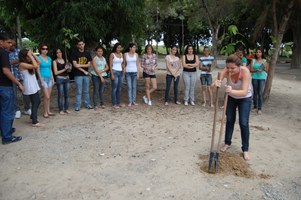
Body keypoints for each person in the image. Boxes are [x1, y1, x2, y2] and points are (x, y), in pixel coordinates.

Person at [213, 54, 253, 161]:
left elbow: (244, 92)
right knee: (230, 120)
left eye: (233, 68)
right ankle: (227, 143)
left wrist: (231, 91)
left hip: (245, 98)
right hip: (230, 97)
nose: (230, 70)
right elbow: (220, 76)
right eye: (228, 68)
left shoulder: (245, 72)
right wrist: (218, 81)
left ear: (239, 66)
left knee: (243, 122)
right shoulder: (227, 70)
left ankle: (245, 149)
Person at [0, 32, 23, 144]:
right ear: (1, 42)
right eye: (8, 42)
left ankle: (5, 130)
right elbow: (6, 71)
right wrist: (18, 82)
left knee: (2, 110)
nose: (10, 44)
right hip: (4, 86)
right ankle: (7, 137)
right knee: (7, 111)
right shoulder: (3, 53)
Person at [19, 48, 42, 127]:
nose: (29, 57)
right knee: (36, 101)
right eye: (27, 56)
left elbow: (39, 62)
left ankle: (33, 116)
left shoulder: (28, 62)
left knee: (37, 101)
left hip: (33, 84)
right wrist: (30, 55)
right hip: (29, 85)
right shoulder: (22, 64)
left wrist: (32, 55)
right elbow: (35, 66)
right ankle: (34, 121)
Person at [9, 39, 31, 118]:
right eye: (12, 45)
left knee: (25, 92)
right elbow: (7, 64)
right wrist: (14, 62)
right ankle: (17, 110)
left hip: (21, 75)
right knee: (14, 94)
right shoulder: (6, 52)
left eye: (15, 45)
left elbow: (24, 59)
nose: (13, 46)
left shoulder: (19, 51)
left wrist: (17, 61)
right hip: (12, 76)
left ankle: (27, 108)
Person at [71, 39, 93, 111]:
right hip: (78, 75)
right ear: (77, 46)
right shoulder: (74, 53)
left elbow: (89, 65)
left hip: (86, 75)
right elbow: (74, 65)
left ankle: (88, 104)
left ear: (84, 44)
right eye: (79, 44)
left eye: (82, 44)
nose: (81, 46)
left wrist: (79, 65)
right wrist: (84, 69)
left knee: (86, 90)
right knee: (78, 91)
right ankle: (78, 106)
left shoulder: (87, 53)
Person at [37, 44, 55, 118]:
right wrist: (40, 79)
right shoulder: (38, 58)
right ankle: (45, 112)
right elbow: (37, 70)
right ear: (40, 50)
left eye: (46, 49)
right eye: (43, 49)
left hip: (49, 78)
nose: (45, 50)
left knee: (48, 96)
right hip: (43, 78)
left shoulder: (49, 58)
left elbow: (50, 69)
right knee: (46, 96)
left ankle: (48, 111)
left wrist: (53, 78)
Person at [249, 48, 268, 115]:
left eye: (259, 52)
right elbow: (250, 70)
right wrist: (256, 70)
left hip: (262, 78)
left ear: (262, 53)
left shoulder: (264, 61)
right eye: (257, 52)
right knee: (255, 93)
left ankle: (259, 108)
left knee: (260, 93)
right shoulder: (253, 60)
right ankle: (255, 106)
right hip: (254, 77)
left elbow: (266, 70)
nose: (258, 53)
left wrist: (264, 69)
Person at [52, 48, 71, 114]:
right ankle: (60, 109)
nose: (59, 54)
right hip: (59, 79)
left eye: (60, 52)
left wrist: (69, 68)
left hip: (67, 78)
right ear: (56, 54)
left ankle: (66, 108)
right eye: (57, 53)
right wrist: (64, 69)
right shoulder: (55, 61)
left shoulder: (65, 60)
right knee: (60, 94)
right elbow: (56, 72)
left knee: (67, 94)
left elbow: (69, 70)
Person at [109, 43, 124, 109]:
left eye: (120, 48)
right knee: (114, 88)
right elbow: (110, 65)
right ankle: (114, 103)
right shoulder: (112, 55)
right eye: (118, 48)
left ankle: (118, 102)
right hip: (114, 72)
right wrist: (111, 74)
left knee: (119, 88)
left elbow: (122, 63)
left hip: (120, 72)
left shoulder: (121, 54)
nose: (119, 49)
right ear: (115, 48)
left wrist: (123, 68)